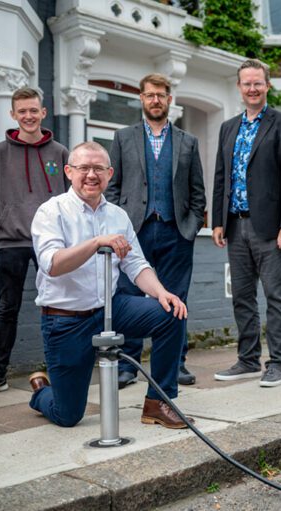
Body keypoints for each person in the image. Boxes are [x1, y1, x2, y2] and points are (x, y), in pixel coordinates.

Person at [28, 141, 191, 429]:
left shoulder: (118, 215)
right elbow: (51, 265)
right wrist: (96, 243)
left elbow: (137, 265)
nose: (91, 175)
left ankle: (158, 402)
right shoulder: (51, 211)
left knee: (170, 313)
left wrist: (162, 292)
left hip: (110, 308)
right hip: (65, 319)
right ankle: (42, 392)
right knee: (68, 415)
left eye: (98, 169)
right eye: (83, 168)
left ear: (110, 173)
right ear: (68, 171)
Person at [0, 87, 69, 398]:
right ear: (13, 115)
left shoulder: (60, 153)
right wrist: (5, 221)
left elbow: (69, 198)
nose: (28, 116)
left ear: (43, 113)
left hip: (50, 245)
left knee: (59, 308)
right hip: (11, 243)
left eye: (33, 110)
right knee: (6, 310)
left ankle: (62, 371)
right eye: (22, 111)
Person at [106, 73, 205, 388]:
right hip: (135, 231)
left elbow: (197, 191)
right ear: (141, 98)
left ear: (169, 99)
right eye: (150, 95)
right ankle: (128, 365)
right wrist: (119, 224)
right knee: (132, 294)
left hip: (177, 232)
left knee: (176, 297)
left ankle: (176, 363)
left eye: (161, 95)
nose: (156, 100)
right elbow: (113, 187)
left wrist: (190, 226)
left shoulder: (188, 141)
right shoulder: (123, 138)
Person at [211, 59, 281, 387]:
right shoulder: (228, 127)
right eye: (246, 83)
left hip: (270, 227)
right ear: (239, 87)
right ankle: (247, 360)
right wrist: (217, 221)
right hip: (235, 226)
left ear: (267, 86)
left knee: (276, 296)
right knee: (242, 296)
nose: (252, 89)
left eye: (258, 83)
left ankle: (277, 362)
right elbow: (221, 176)